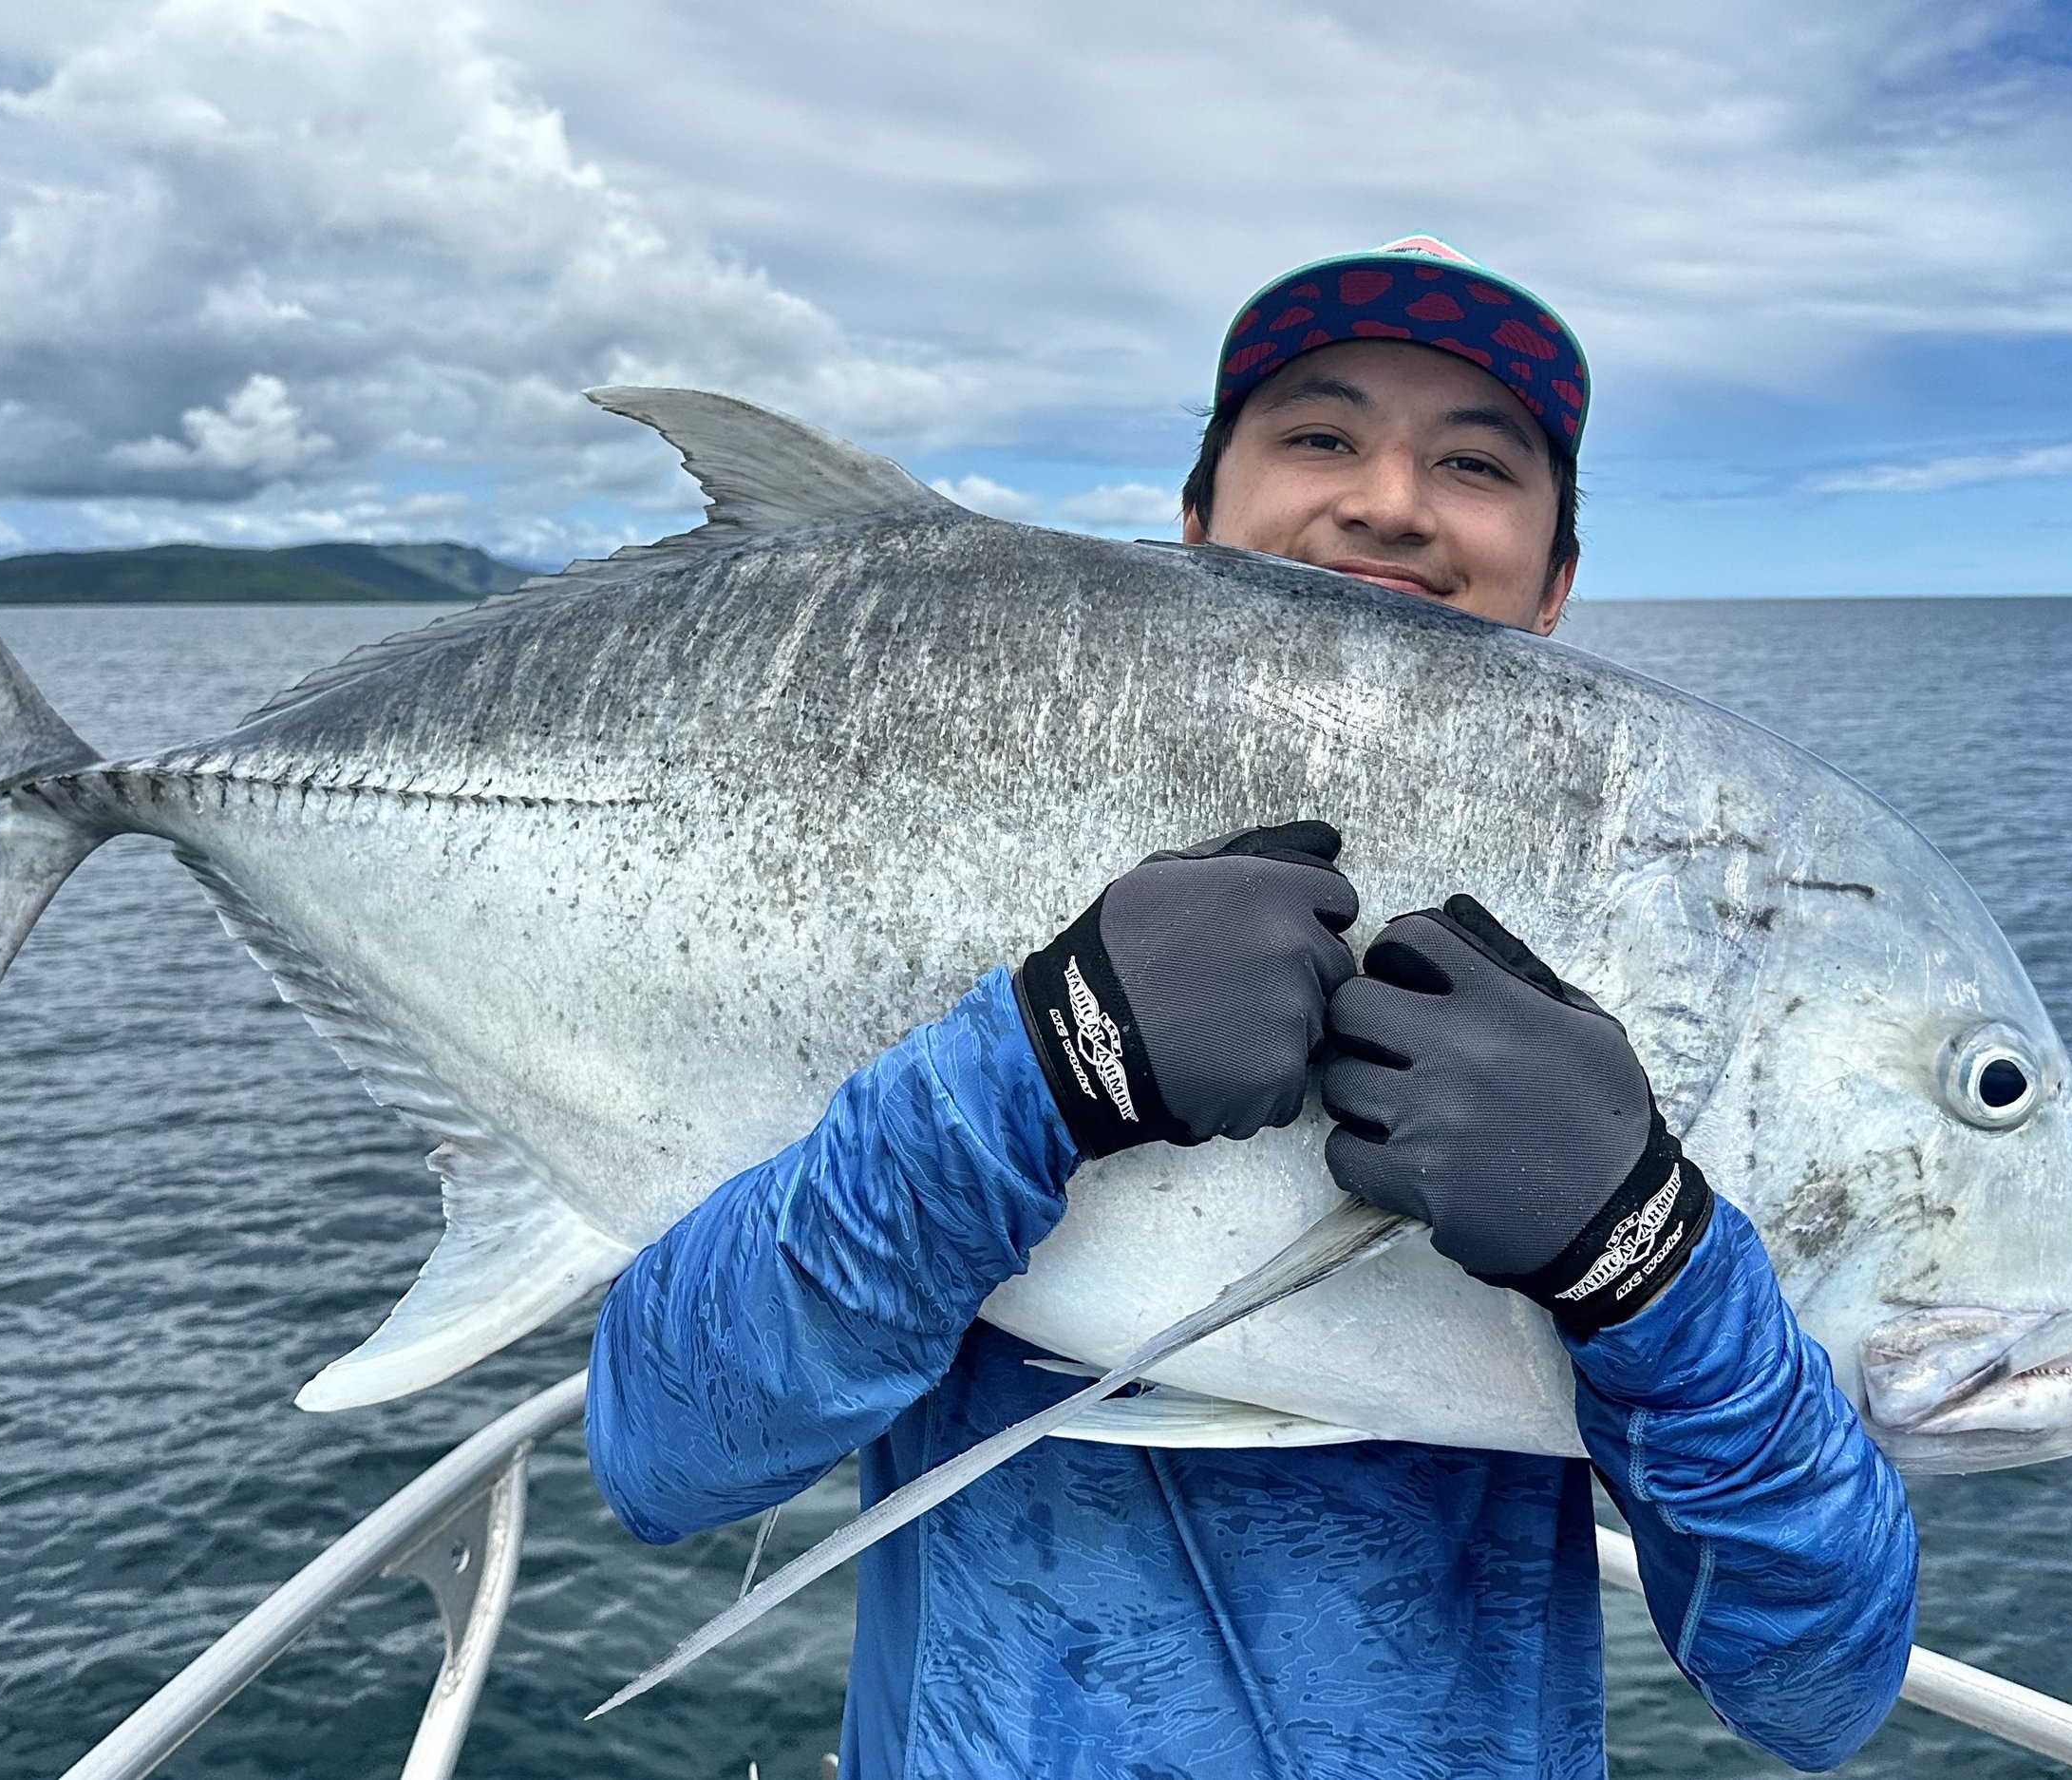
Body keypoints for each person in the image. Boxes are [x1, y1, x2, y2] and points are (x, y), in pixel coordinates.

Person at [586, 237, 1918, 1778]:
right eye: (1322, 434)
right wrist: (1047, 1056)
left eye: (1477, 461)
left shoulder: (1629, 946)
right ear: (1193, 522)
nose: (1392, 501)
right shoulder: (959, 841)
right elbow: (667, 1451)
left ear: (1555, 581)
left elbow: (1818, 1692)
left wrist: (1640, 1251)